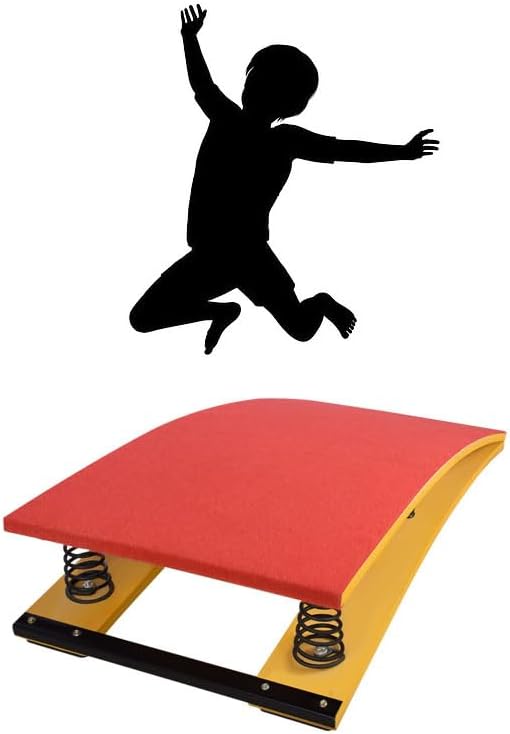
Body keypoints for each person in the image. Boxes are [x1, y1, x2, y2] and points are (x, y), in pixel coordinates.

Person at [129, 4, 439, 354]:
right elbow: (202, 83)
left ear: (287, 103)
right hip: (211, 253)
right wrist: (189, 38)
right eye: (252, 80)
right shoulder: (226, 116)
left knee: (302, 329)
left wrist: (403, 151)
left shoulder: (283, 140)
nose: (252, 88)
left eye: (264, 85)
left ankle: (319, 302)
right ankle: (222, 311)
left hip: (248, 255)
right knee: (142, 317)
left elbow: (345, 149)